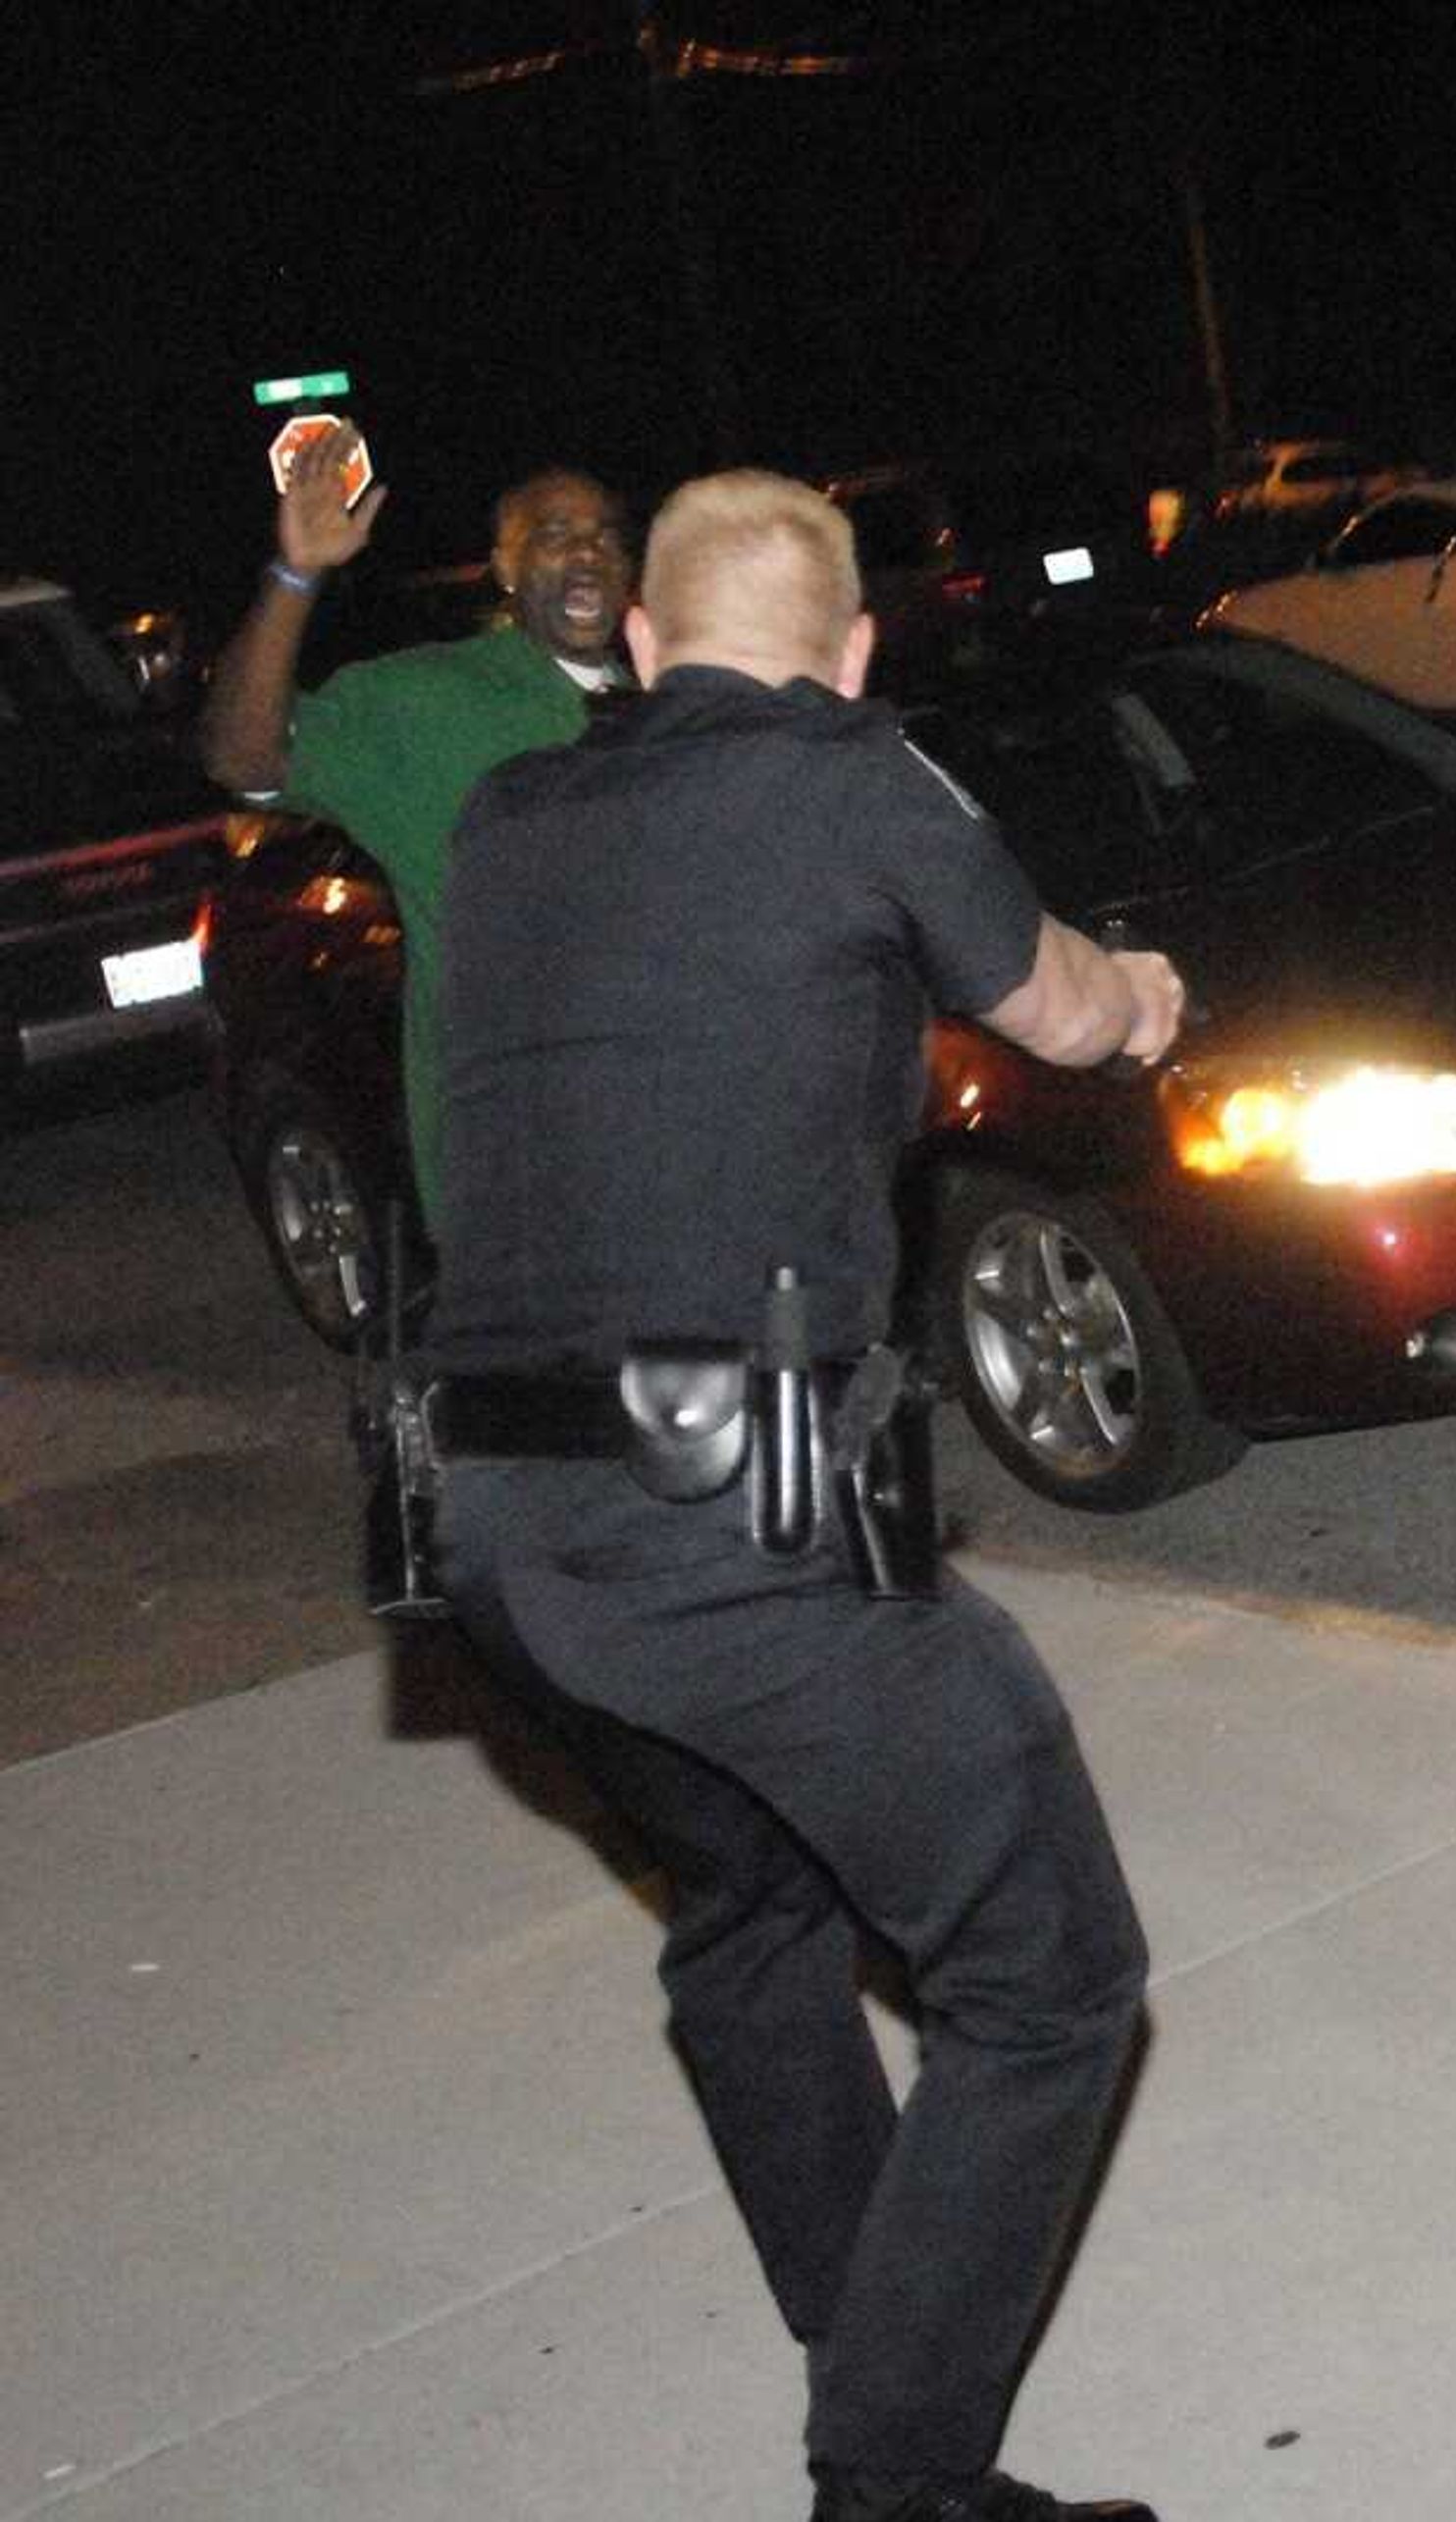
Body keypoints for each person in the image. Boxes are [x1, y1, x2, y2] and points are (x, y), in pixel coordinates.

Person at [423, 470, 1185, 2522]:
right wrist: (1143, 989)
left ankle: (874, 2322)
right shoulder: (862, 778)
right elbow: (1068, 1006)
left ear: (647, 648)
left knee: (753, 1907)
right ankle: (895, 2478)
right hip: (728, 1510)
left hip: (483, 1522)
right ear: (853, 654)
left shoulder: (505, 821)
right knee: (1050, 1978)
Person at [197, 428, 637, 1223]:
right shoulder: (427, 701)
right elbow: (241, 755)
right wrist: (295, 574)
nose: (586, 552)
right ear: (503, 568)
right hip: (525, 1187)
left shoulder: (670, 695)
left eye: (605, 534)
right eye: (553, 534)